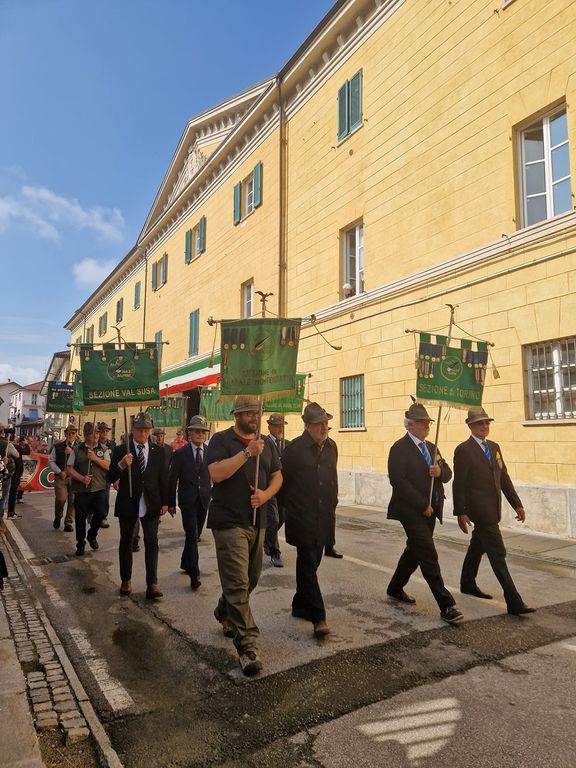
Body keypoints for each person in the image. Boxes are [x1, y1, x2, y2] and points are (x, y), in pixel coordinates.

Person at [206, 396, 282, 676]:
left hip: (257, 520)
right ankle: (247, 647)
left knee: (251, 578)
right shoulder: (221, 440)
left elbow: (277, 476)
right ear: (236, 415)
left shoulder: (267, 443)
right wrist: (247, 453)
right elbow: (215, 474)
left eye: (257, 413)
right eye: (249, 413)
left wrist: (265, 495)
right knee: (238, 584)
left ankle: (224, 610)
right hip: (228, 521)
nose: (254, 417)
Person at [386, 402, 464, 625]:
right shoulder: (399, 448)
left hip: (432, 510)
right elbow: (398, 481)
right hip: (410, 510)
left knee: (415, 550)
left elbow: (448, 473)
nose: (427, 426)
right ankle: (446, 604)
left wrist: (439, 472)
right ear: (409, 425)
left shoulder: (432, 447)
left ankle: (395, 587)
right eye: (422, 423)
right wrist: (422, 504)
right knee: (428, 553)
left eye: (428, 422)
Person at [453, 406, 535, 615]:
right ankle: (514, 600)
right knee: (498, 553)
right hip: (479, 511)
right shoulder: (463, 450)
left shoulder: (494, 447)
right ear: (470, 426)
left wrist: (516, 504)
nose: (484, 426)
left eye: (486, 422)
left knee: (477, 546)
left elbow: (503, 478)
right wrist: (461, 512)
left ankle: (467, 583)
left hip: (493, 507)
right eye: (479, 423)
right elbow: (459, 483)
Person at [281, 402, 338, 638]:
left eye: (325, 423)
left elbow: (333, 480)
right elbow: (282, 484)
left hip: (324, 517)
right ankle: (318, 617)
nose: (323, 427)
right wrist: (290, 511)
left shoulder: (332, 447)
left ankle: (299, 604)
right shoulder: (294, 450)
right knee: (307, 564)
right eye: (318, 424)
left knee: (312, 563)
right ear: (307, 425)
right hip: (302, 518)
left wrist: (333, 505)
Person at [107, 412, 169, 599]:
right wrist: (121, 464)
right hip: (128, 502)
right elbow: (110, 477)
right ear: (132, 430)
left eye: (146, 430)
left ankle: (153, 583)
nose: (143, 434)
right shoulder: (121, 450)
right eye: (139, 430)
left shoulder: (158, 451)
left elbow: (163, 478)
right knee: (127, 541)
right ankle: (126, 579)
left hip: (151, 503)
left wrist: (166, 502)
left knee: (152, 541)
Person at [168, 415, 211, 590]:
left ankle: (185, 562)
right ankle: (195, 573)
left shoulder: (210, 452)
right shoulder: (180, 454)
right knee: (192, 534)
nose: (200, 434)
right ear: (190, 433)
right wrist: (170, 503)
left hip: (203, 500)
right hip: (187, 501)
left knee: (195, 534)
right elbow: (172, 479)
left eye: (203, 432)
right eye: (197, 431)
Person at [66, 422, 111, 556]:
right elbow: (69, 468)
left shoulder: (103, 449)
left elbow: (108, 466)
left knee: (100, 513)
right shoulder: (77, 450)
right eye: (93, 434)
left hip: (99, 488)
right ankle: (80, 543)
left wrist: (95, 459)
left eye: (97, 433)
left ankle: (92, 535)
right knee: (80, 518)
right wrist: (81, 478)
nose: (96, 436)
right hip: (82, 490)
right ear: (86, 436)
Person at [263, 413, 288, 567]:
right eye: (277, 426)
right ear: (270, 427)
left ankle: (267, 538)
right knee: (273, 519)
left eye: (281, 426)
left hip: (283, 489)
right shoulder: (264, 443)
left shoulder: (286, 444)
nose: (280, 429)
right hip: (269, 487)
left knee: (282, 518)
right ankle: (274, 552)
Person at [48, 425, 78, 531]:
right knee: (61, 499)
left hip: (74, 478)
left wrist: (72, 452)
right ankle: (58, 516)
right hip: (61, 477)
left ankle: (68, 522)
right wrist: (59, 472)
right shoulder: (58, 446)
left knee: (73, 501)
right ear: (65, 434)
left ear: (76, 435)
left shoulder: (80, 447)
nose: (71, 435)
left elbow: (82, 461)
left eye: (73, 433)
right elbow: (51, 461)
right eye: (69, 433)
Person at [97, 422, 116, 528]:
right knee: (94, 495)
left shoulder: (112, 444)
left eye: (106, 431)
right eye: (102, 431)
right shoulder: (95, 443)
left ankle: (103, 517)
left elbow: (115, 459)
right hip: (96, 474)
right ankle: (92, 513)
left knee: (105, 496)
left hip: (107, 474)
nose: (105, 433)